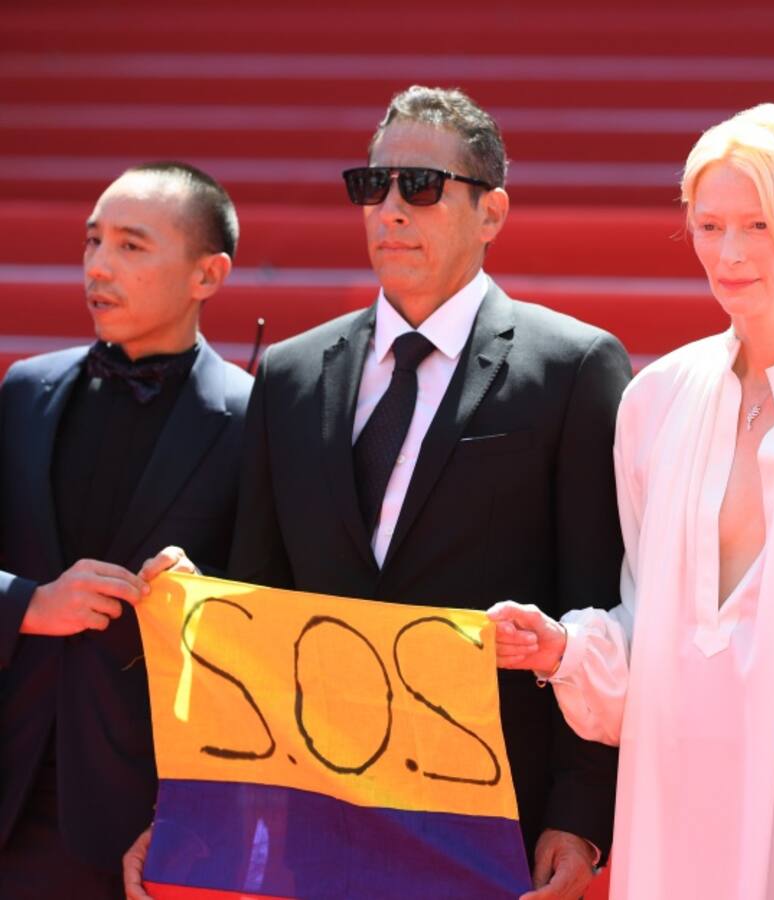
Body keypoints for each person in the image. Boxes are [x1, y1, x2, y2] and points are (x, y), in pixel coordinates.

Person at [124, 85, 628, 900]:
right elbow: (262, 596)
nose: (390, 209)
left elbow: (594, 602)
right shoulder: (289, 374)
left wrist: (579, 816)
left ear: (490, 213)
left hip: (493, 814)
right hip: (317, 808)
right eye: (373, 186)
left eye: (420, 187)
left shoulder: (572, 366)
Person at [489, 103, 774, 900]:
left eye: (761, 225)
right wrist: (563, 651)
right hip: (671, 800)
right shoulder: (656, 399)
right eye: (709, 226)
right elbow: (649, 623)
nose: (730, 255)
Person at [0, 162, 251, 898]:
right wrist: (29, 603)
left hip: (140, 820)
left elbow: (269, 619)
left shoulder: (255, 421)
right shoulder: (22, 392)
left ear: (209, 274)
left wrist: (204, 599)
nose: (99, 267)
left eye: (132, 247)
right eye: (92, 242)